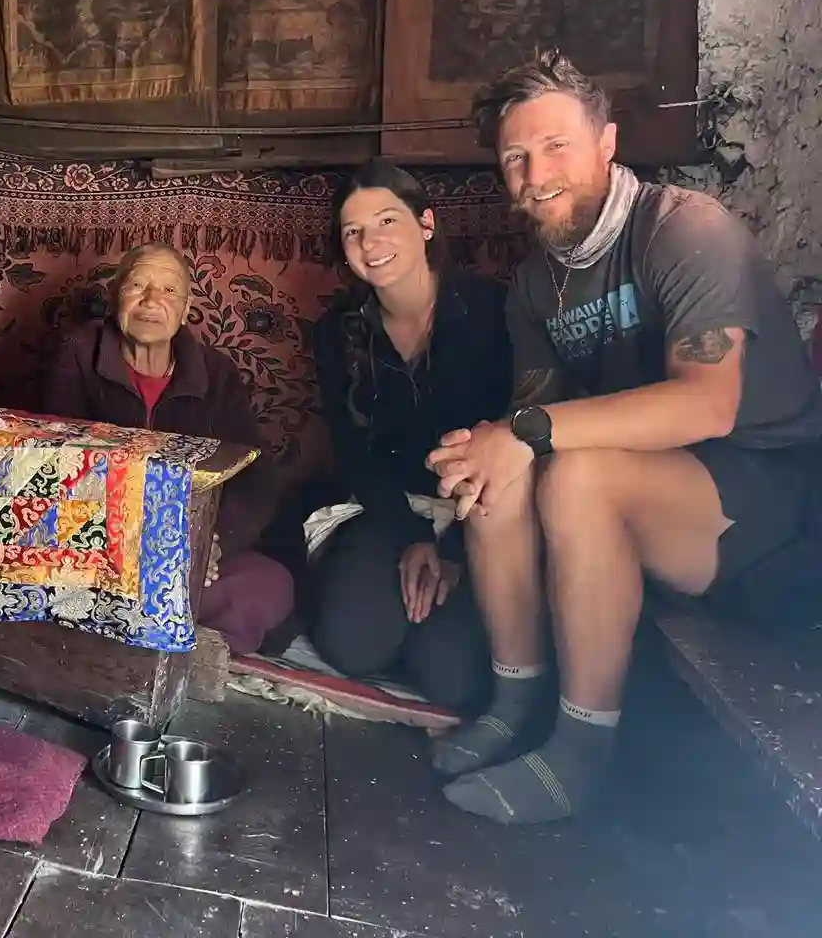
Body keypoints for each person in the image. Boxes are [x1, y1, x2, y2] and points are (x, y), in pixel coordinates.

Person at [424, 50, 822, 825]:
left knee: (573, 474)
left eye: (557, 147)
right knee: (493, 470)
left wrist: (528, 432)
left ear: (607, 143)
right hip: (648, 486)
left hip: (761, 496)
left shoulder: (682, 229)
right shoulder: (537, 285)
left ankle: (580, 753)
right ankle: (515, 705)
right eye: (515, 157)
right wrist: (491, 444)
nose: (535, 174)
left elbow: (706, 406)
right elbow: (526, 420)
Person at [307, 159, 507, 712]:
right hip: (387, 507)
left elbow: (511, 442)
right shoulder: (338, 333)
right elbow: (353, 453)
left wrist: (453, 549)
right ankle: (393, 613)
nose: (371, 243)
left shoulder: (491, 311)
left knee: (455, 679)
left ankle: (428, 632)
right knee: (354, 645)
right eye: (354, 232)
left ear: (426, 224)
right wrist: (411, 539)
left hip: (481, 514)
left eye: (387, 221)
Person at [44, 243, 294, 655]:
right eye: (137, 285)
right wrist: (142, 544)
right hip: (105, 549)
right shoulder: (79, 355)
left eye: (168, 290)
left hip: (194, 552)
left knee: (269, 585)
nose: (150, 301)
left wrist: (212, 541)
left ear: (187, 307)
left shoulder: (216, 374)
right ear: (115, 297)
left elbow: (253, 473)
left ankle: (147, 635)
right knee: (62, 577)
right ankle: (160, 637)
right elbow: (61, 461)